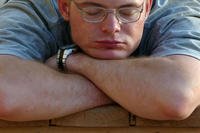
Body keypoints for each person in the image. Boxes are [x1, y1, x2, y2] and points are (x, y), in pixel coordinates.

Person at [0, 0, 200, 121]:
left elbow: (177, 97)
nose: (112, 27)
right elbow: (5, 95)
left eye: (127, 11)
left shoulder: (179, 11)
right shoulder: (31, 10)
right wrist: (141, 90)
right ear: (65, 7)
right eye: (93, 12)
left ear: (147, 7)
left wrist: (74, 62)